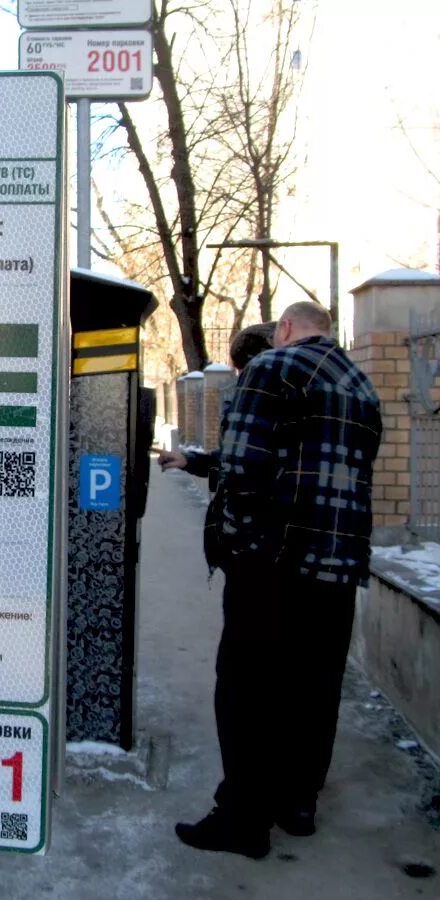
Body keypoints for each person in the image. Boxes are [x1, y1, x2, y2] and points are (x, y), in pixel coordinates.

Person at [175, 301, 382, 860]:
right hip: (337, 567)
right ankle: (298, 804)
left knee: (246, 688)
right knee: (314, 686)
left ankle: (242, 820)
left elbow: (243, 468)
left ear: (285, 329)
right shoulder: (360, 381)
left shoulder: (273, 367)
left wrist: (240, 546)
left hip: (274, 564)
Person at [157, 322, 276, 572]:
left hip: (262, 550)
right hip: (244, 546)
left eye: (247, 369)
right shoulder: (249, 403)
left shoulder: (279, 405)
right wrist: (190, 460)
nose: (243, 377)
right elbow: (236, 458)